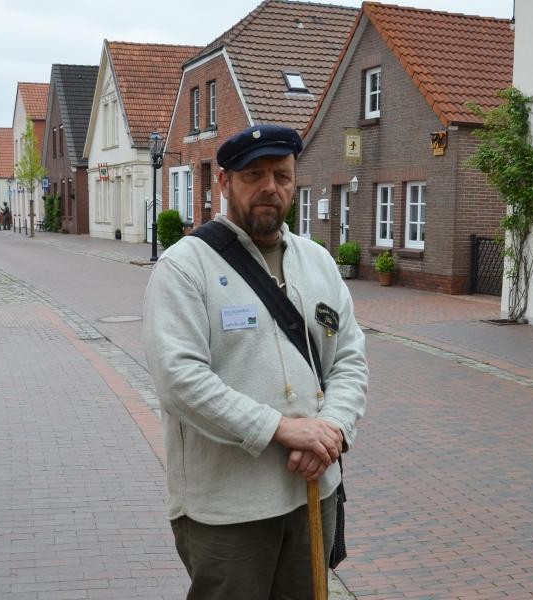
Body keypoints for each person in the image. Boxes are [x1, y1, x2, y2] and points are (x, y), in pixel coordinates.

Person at [143, 124, 368, 600]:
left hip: (315, 491)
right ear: (224, 184)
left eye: (282, 175)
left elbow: (349, 358)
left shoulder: (319, 262)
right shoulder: (186, 267)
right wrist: (284, 429)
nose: (271, 186)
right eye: (254, 174)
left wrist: (333, 429)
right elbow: (179, 380)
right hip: (229, 509)